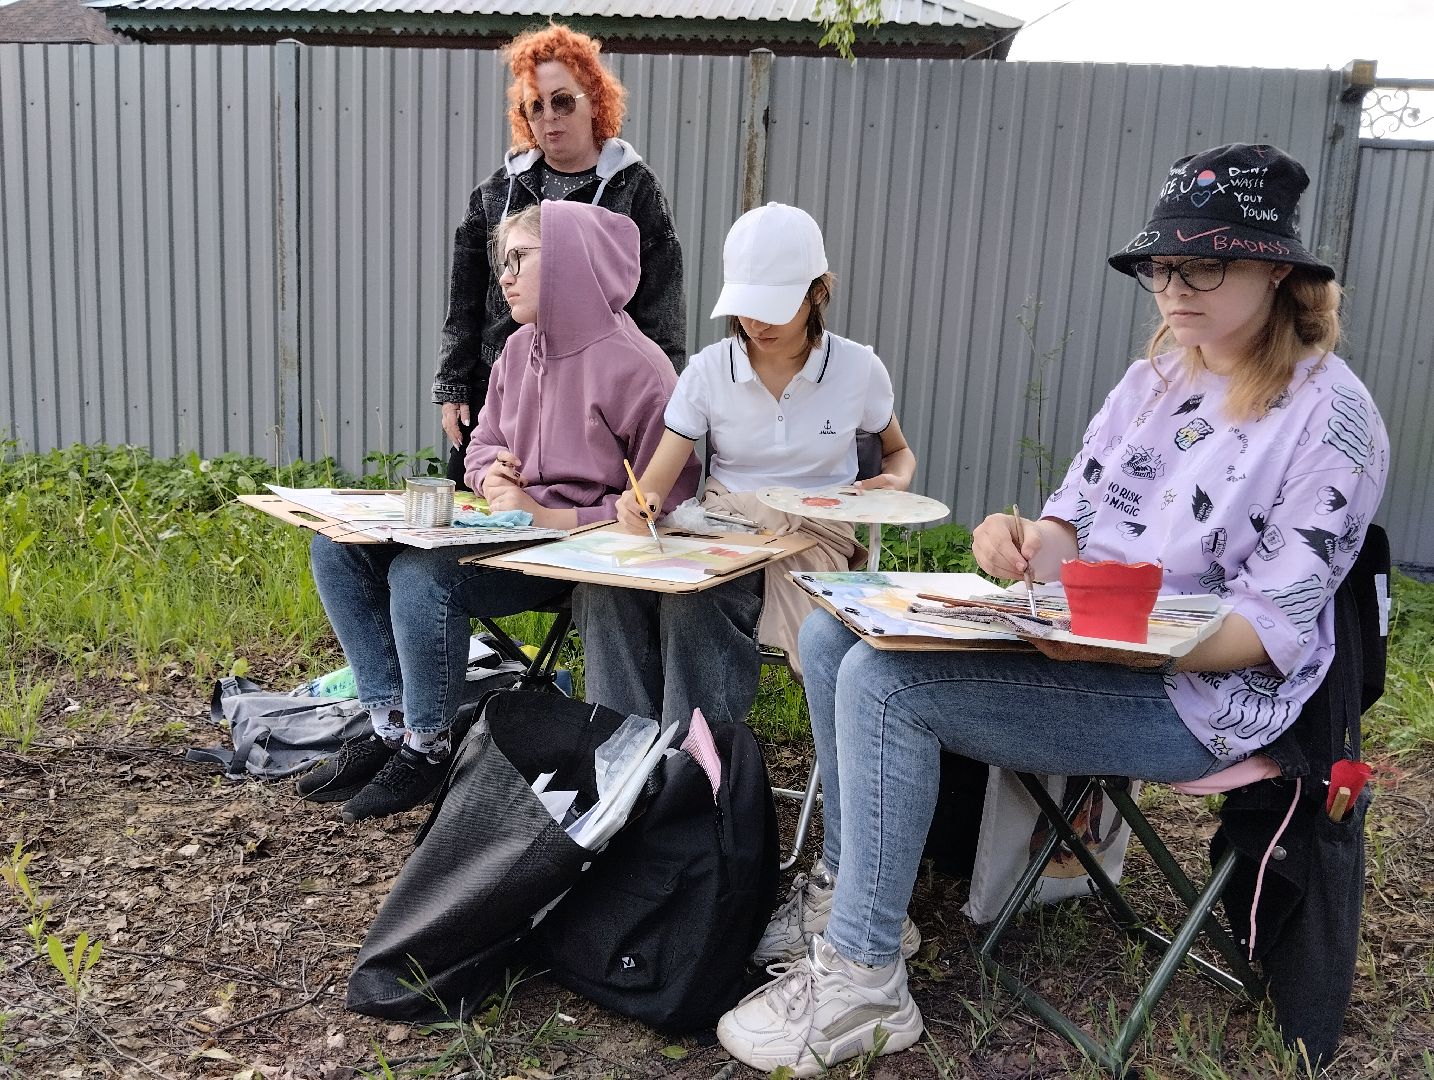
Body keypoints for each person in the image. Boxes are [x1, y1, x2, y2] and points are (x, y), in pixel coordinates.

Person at [715, 143, 1389, 1076]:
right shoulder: (1152, 381)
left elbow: (1268, 634)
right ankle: (853, 895)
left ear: (1277, 269)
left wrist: (1123, 645)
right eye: (1160, 266)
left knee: (884, 686)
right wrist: (1024, 547)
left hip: (1200, 702)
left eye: (1201, 264)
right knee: (837, 630)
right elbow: (1072, 530)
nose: (1172, 288)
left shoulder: (1332, 418)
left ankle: (864, 982)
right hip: (1082, 647)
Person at [298, 200, 698, 823]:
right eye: (501, 261)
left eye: (519, 259)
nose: (504, 276)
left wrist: (546, 517)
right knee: (337, 546)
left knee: (421, 578)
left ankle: (429, 749)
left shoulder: (640, 369)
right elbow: (481, 443)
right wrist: (491, 475)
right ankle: (390, 721)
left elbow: (661, 507)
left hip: (575, 557)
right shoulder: (517, 351)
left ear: (571, 262)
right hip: (506, 532)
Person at [572, 202, 915, 733]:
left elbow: (897, 451)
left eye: (774, 306)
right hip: (723, 530)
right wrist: (642, 504)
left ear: (818, 292)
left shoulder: (857, 368)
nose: (756, 322)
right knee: (616, 591)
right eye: (747, 306)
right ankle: (628, 762)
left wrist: (893, 482)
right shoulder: (710, 370)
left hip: (811, 536)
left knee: (696, 604)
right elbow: (657, 482)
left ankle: (698, 766)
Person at [433, 23, 686, 486]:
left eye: (563, 100)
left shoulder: (635, 189)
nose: (549, 116)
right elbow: (464, 299)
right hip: (499, 385)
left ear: (595, 99)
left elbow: (661, 306)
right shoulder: (498, 192)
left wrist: (671, 413)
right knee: (470, 521)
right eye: (535, 106)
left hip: (596, 400)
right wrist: (452, 385)